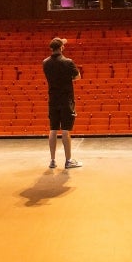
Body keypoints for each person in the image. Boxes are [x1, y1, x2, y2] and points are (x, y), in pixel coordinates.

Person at [42, 36, 82, 169]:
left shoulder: (45, 63)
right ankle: (68, 160)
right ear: (62, 48)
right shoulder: (68, 62)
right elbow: (77, 76)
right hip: (66, 99)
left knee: (53, 129)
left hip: (53, 99)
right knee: (65, 130)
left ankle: (52, 160)